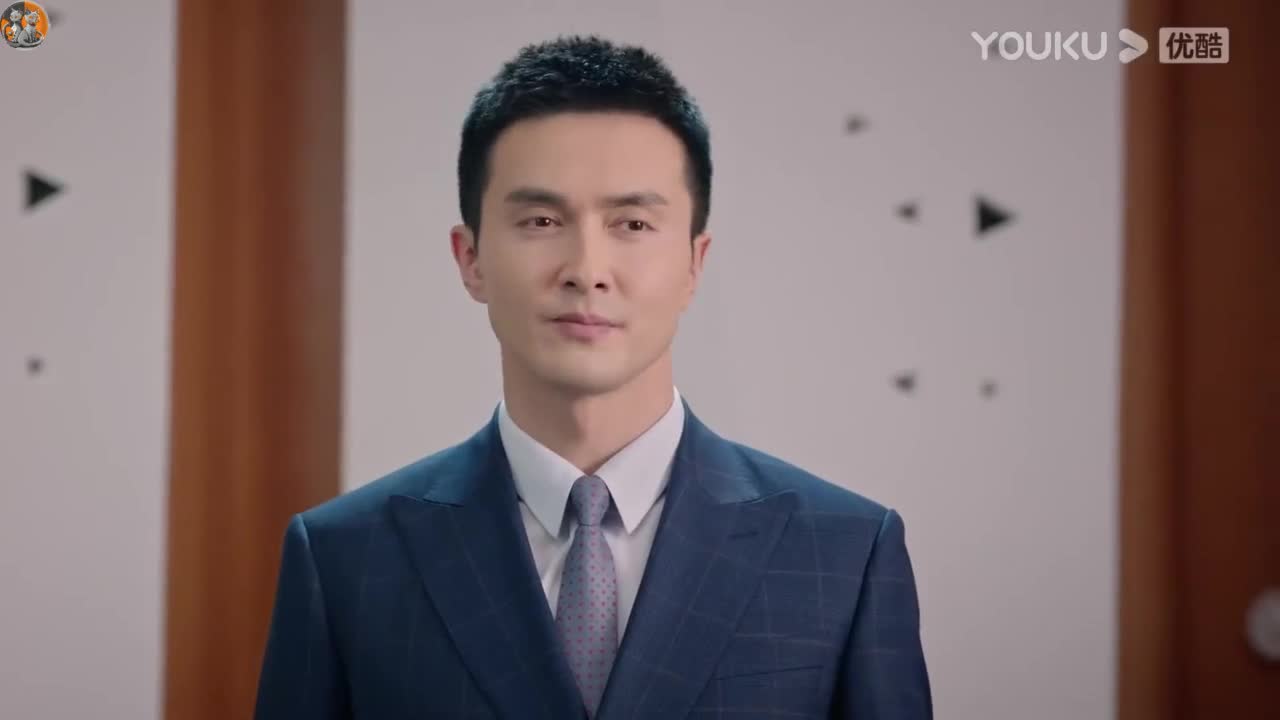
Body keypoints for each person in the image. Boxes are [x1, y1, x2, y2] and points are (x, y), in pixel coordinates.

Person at [254, 34, 931, 719]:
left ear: (694, 263)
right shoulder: (345, 557)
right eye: (542, 220)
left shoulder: (844, 551)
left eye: (632, 223)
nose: (586, 269)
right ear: (471, 259)